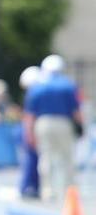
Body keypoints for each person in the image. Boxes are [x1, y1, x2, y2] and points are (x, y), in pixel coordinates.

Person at [24, 54, 83, 205]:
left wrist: (29, 133)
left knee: (46, 157)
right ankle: (70, 191)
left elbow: (30, 115)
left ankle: (48, 191)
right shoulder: (68, 85)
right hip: (63, 122)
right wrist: (80, 127)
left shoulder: (38, 86)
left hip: (43, 123)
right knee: (67, 158)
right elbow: (76, 111)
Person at [16, 64, 44, 199]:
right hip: (33, 129)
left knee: (32, 159)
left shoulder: (33, 93)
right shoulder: (36, 93)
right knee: (32, 159)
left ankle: (30, 186)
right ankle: (29, 187)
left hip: (33, 129)